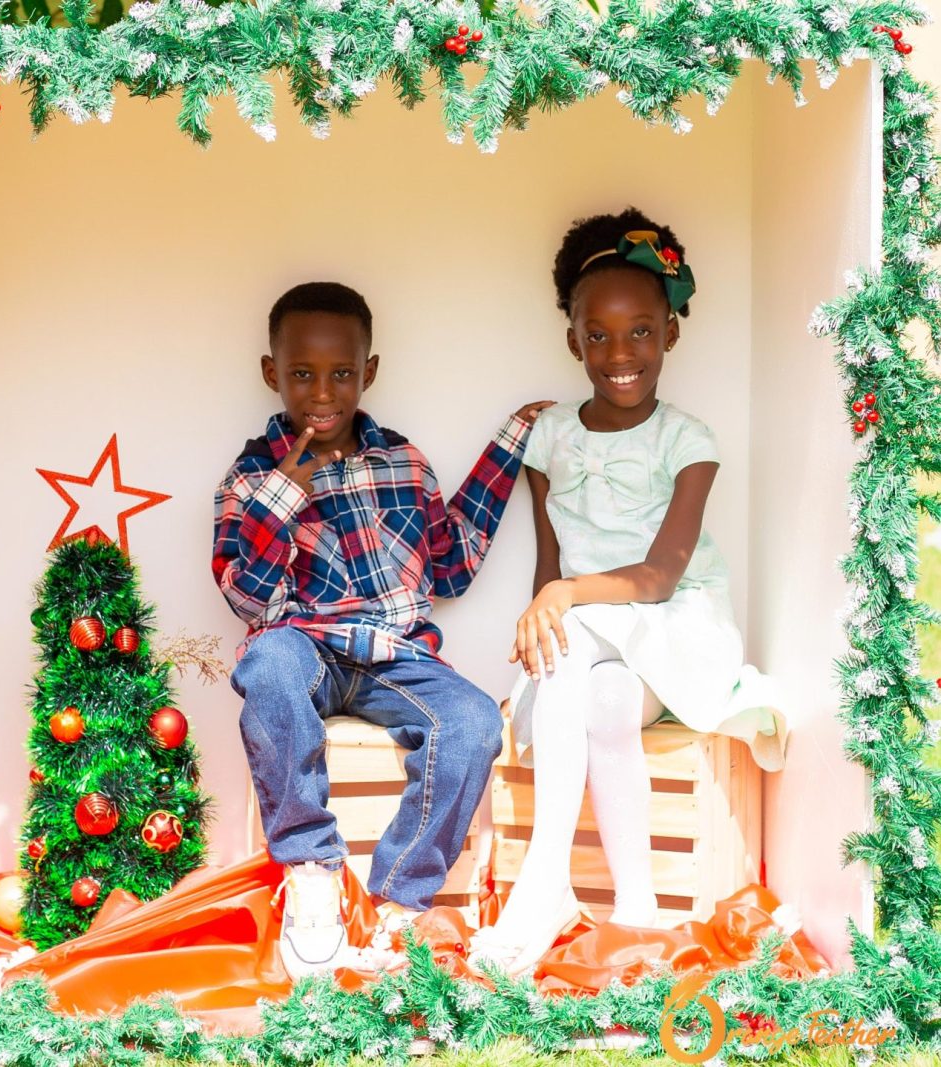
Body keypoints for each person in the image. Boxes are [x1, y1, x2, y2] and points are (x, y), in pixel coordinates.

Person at [471, 208, 784, 977]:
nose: (619, 353)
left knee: (579, 638)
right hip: (588, 642)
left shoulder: (687, 440)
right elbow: (550, 560)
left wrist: (562, 599)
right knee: (602, 700)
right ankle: (637, 905)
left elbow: (659, 575)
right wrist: (548, 614)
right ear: (572, 340)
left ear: (668, 332)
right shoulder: (548, 437)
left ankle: (544, 883)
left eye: (640, 331)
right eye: (598, 335)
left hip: (675, 628)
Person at [212, 281, 552, 979]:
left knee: (471, 721)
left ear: (368, 371)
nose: (322, 392)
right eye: (302, 373)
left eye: (341, 373)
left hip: (394, 656)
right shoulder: (248, 478)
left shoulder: (404, 462)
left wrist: (508, 446)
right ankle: (311, 872)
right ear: (271, 373)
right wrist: (284, 493)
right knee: (267, 666)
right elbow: (247, 599)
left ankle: (399, 903)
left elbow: (450, 570)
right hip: (303, 647)